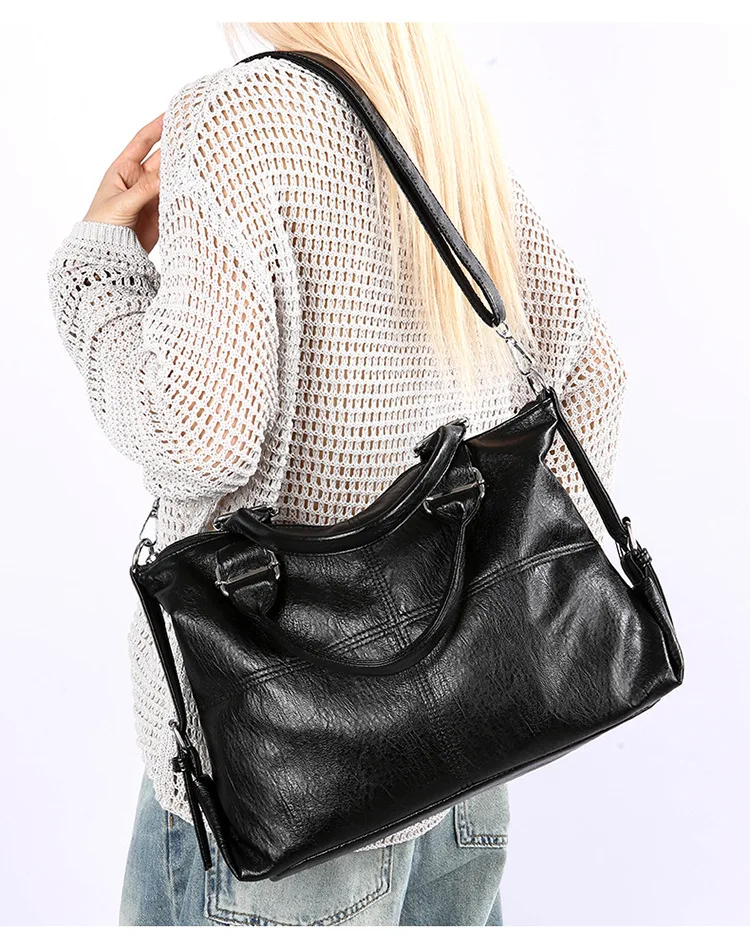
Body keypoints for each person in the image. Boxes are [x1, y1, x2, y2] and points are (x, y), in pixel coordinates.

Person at [46, 22, 627, 927]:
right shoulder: (435, 110)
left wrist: (97, 277)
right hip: (469, 762)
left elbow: (197, 432)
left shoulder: (237, 115)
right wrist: (482, 600)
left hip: (285, 773)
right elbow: (590, 376)